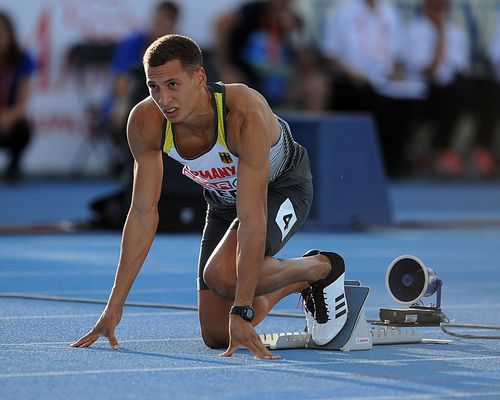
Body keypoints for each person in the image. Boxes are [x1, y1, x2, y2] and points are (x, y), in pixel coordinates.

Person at [71, 34, 348, 359]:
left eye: (173, 84)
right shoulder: (145, 122)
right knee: (216, 334)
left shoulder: (242, 113)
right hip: (221, 203)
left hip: (283, 187)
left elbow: (251, 216)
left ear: (199, 77)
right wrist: (113, 309)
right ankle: (301, 279)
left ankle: (325, 267)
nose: (164, 99)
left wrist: (243, 310)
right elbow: (143, 214)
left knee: (222, 275)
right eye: (154, 87)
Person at [101, 1, 180, 177]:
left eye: (166, 21)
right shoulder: (132, 43)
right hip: (133, 101)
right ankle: (130, 166)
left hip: (165, 104)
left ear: (173, 24)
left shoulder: (180, 48)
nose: (161, 24)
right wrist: (122, 104)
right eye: (159, 19)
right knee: (122, 113)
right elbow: (121, 83)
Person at [404, 0, 471, 176]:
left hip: (447, 91)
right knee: (452, 93)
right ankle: (430, 149)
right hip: (422, 92)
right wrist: (439, 37)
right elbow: (429, 72)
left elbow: (460, 69)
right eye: (436, 6)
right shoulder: (414, 30)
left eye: (444, 7)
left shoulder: (456, 32)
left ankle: (447, 149)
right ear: (426, 7)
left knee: (466, 90)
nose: (440, 11)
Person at [0, 12, 36, 181]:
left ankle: (14, 164)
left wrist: (6, 117)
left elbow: (22, 105)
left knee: (23, 129)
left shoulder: (23, 59)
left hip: (11, 118)